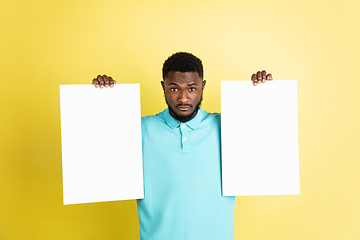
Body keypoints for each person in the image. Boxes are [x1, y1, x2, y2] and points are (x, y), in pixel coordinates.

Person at [92, 52, 272, 240]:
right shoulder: (139, 129)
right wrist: (100, 98)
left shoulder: (228, 127)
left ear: (203, 87)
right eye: (174, 89)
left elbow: (268, 137)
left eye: (192, 89)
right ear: (164, 87)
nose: (183, 98)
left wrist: (264, 93)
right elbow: (96, 147)